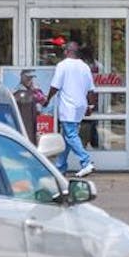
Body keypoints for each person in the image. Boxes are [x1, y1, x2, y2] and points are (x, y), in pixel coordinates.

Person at [42, 41, 97, 177]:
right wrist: (90, 106)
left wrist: (47, 99)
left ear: (67, 51)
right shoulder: (84, 66)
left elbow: (55, 86)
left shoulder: (62, 65)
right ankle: (60, 168)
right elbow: (91, 90)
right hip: (80, 106)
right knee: (66, 137)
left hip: (68, 106)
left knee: (71, 134)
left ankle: (86, 162)